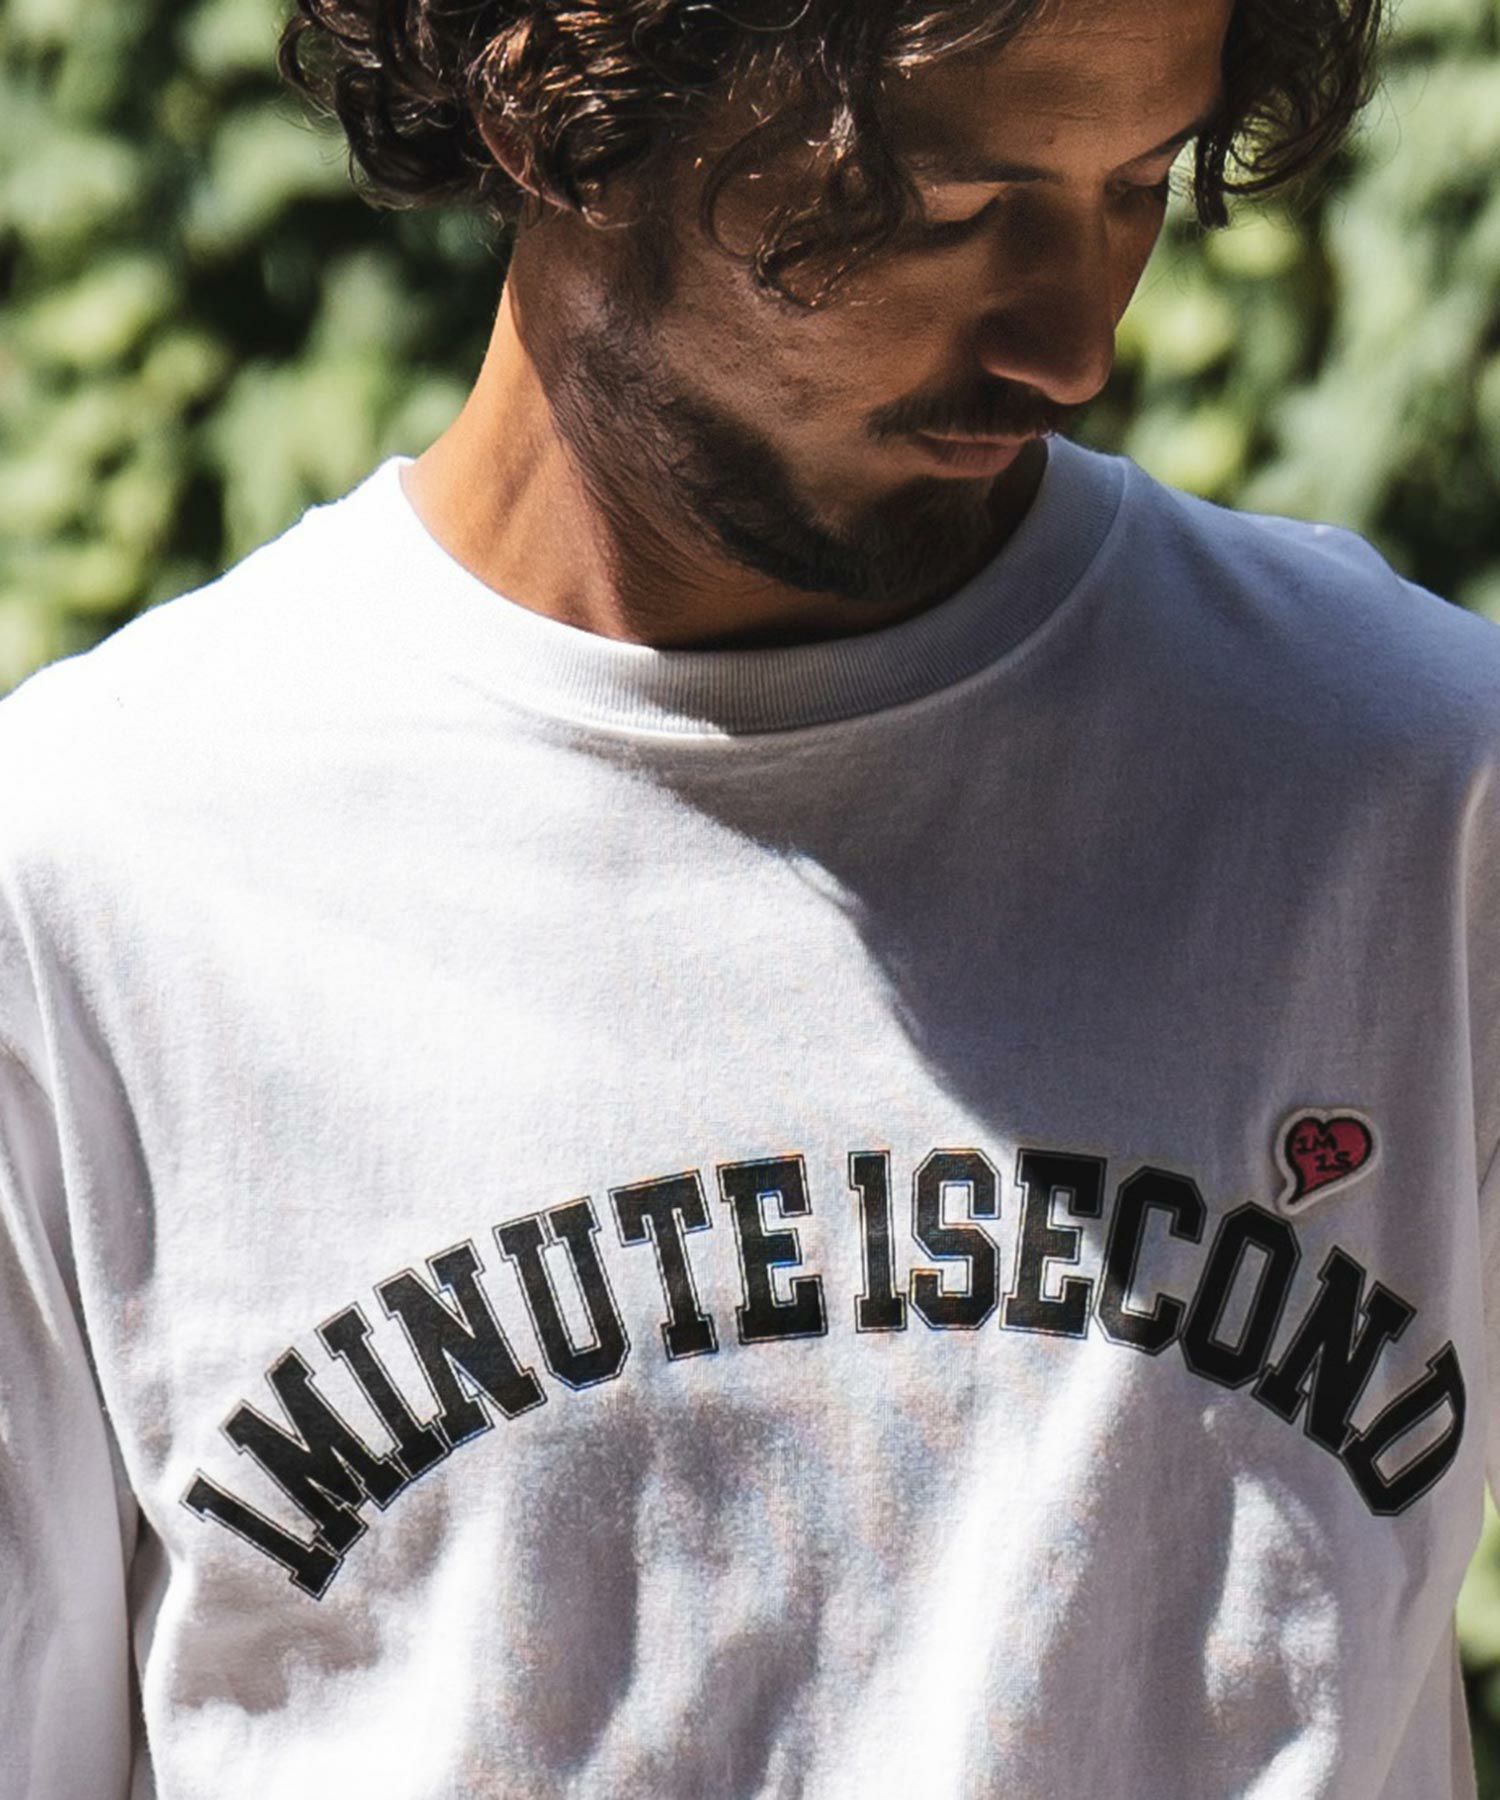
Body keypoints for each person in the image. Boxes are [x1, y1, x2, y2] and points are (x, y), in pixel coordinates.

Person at [2, 0, 1496, 1792]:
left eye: (1138, 185)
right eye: (949, 208)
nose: (1072, 342)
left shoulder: (1415, 791)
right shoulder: (94, 868)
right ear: (553, 88)